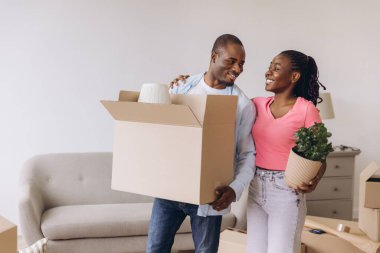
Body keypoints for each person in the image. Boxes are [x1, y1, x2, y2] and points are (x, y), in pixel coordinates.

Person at [146, 34, 256, 253]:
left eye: (241, 64)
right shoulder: (182, 88)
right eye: (231, 61)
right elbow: (162, 134)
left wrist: (234, 190)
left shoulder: (242, 104)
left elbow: (247, 154)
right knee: (155, 248)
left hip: (209, 197)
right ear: (214, 56)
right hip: (170, 191)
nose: (238, 69)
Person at [248, 50, 327, 253]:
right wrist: (192, 82)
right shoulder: (256, 104)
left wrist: (315, 180)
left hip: (286, 190)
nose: (268, 72)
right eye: (269, 66)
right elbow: (223, 98)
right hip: (255, 186)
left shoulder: (306, 109)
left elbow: (321, 154)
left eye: (276, 68)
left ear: (294, 76)